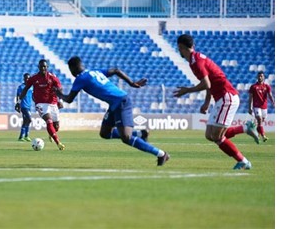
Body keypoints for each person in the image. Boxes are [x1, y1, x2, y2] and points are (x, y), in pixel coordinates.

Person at [55, 56, 170, 166]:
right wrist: (131, 83)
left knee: (126, 138)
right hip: (115, 104)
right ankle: (140, 133)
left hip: (121, 102)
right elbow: (116, 70)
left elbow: (69, 99)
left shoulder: (80, 79)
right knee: (105, 133)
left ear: (72, 68)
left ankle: (161, 154)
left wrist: (59, 94)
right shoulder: (95, 72)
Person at [173, 34, 259, 170]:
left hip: (227, 96)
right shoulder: (195, 59)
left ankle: (243, 161)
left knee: (217, 137)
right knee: (209, 135)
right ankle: (245, 128)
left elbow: (206, 83)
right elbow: (208, 83)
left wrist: (187, 90)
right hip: (222, 98)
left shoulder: (196, 62)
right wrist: (207, 102)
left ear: (180, 47)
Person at [19, 59, 65, 150]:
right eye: (41, 66)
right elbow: (25, 89)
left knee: (56, 127)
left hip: (53, 103)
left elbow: (60, 89)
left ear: (47, 67)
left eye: (44, 66)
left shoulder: (53, 77)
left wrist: (61, 101)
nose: (43, 68)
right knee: (48, 120)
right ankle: (58, 143)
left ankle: (51, 133)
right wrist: (18, 102)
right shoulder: (34, 78)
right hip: (40, 104)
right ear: (38, 67)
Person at [248, 71, 275, 143]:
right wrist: (249, 107)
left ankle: (256, 135)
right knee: (259, 120)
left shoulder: (267, 86)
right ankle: (263, 136)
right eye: (259, 76)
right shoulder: (253, 87)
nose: (260, 77)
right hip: (256, 106)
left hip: (264, 107)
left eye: (261, 76)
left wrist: (274, 102)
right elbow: (250, 98)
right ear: (257, 77)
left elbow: (270, 95)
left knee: (260, 123)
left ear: (264, 77)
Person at [15, 73, 33, 142]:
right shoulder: (21, 87)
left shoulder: (31, 87)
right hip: (23, 106)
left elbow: (33, 96)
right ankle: (25, 135)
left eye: (28, 78)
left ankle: (23, 136)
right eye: (26, 78)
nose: (27, 79)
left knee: (26, 121)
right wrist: (18, 104)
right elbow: (18, 96)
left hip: (29, 106)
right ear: (24, 79)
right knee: (29, 119)